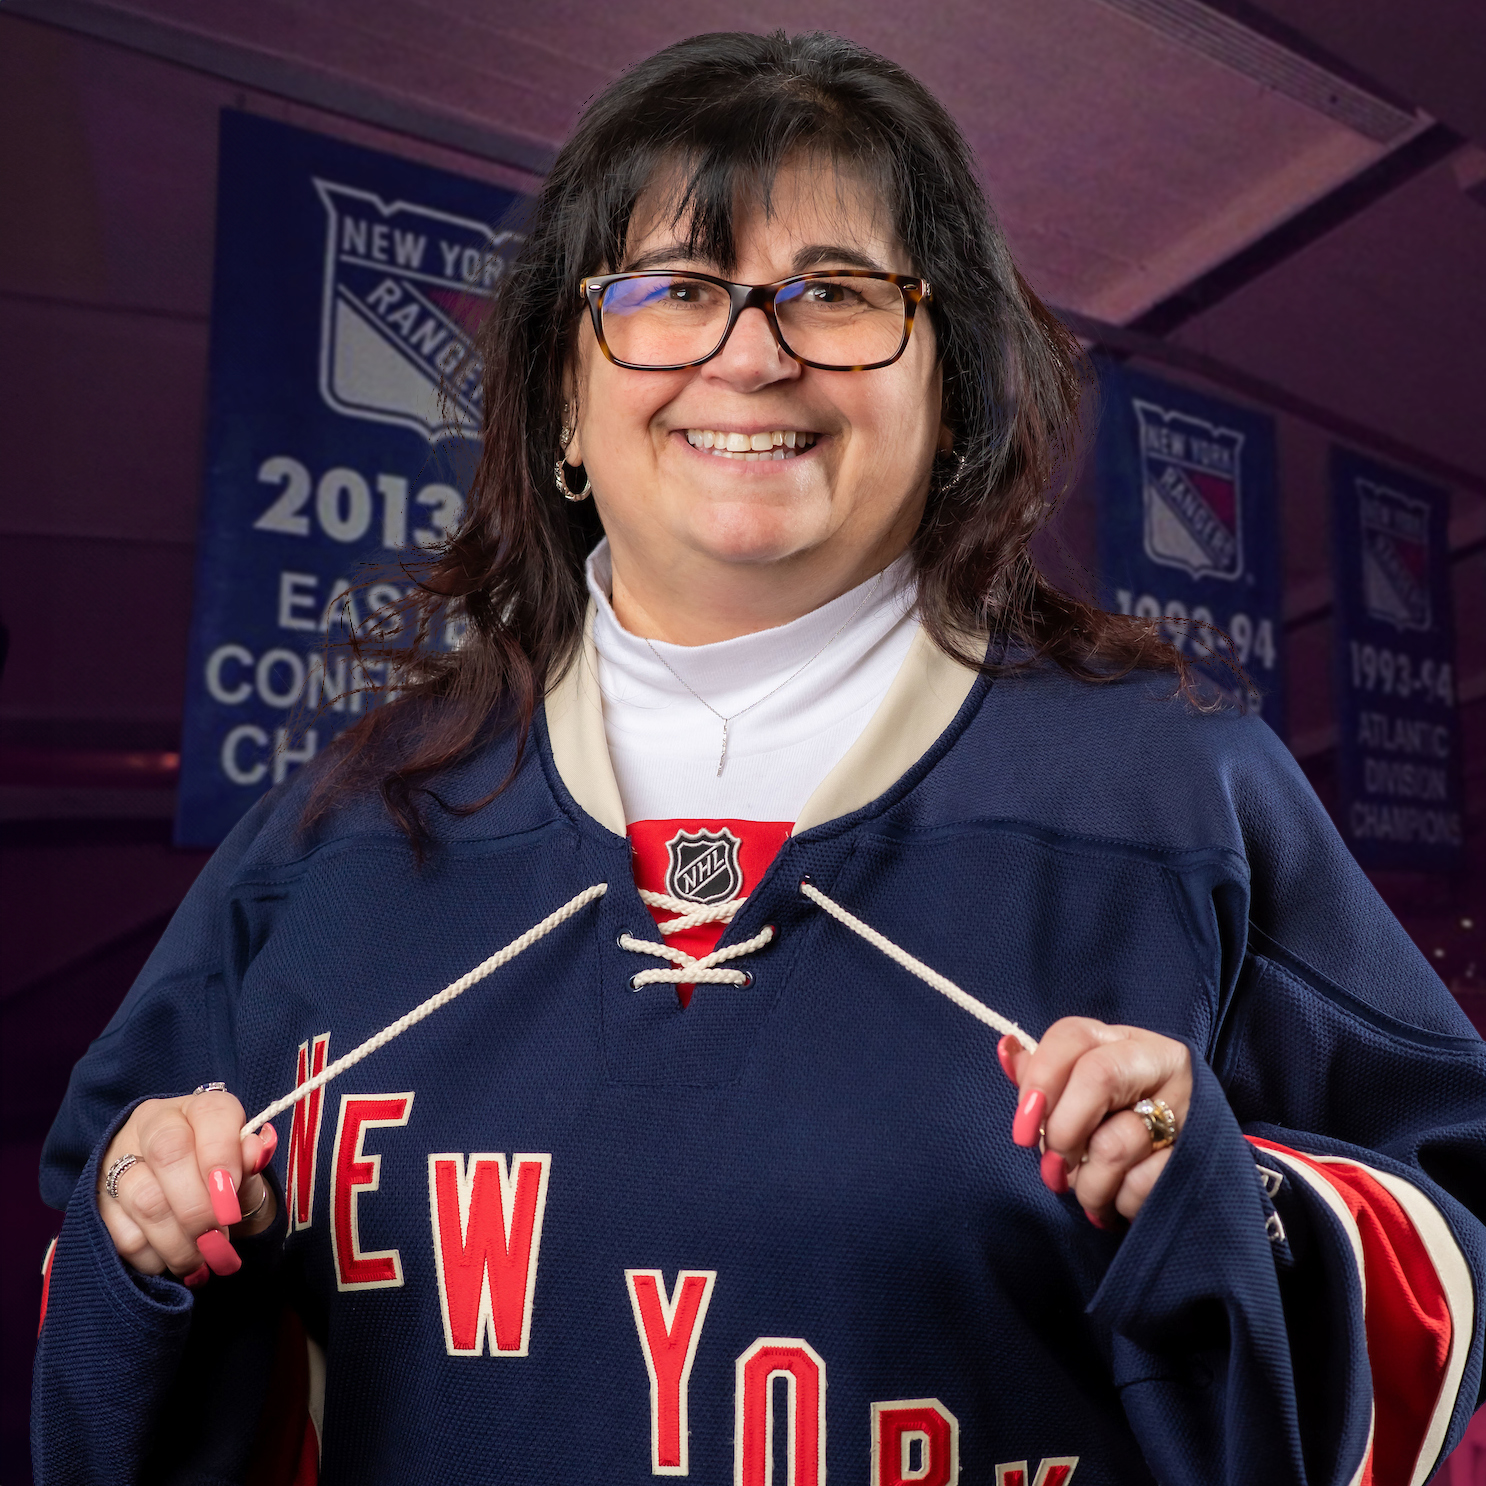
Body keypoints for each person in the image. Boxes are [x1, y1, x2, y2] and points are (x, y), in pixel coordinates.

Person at [31, 29, 1486, 1486]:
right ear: (557, 400)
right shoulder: (338, 834)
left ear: (953, 394)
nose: (750, 350)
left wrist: (1234, 1198)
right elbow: (121, 1285)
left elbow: (1452, 1206)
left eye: (835, 294)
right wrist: (151, 1225)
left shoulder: (1179, 800)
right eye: (672, 292)